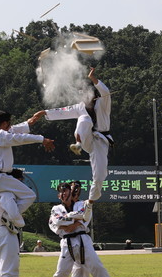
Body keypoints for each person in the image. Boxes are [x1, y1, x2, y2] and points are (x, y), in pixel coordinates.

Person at [40, 67, 113, 201]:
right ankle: (77, 144)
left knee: (100, 175)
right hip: (86, 139)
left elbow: (105, 91)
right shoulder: (80, 107)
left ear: (93, 95)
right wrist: (44, 112)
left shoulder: (103, 103)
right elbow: (63, 111)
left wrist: (93, 78)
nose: (84, 98)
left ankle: (91, 201)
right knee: (84, 119)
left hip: (101, 141)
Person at [47, 181, 121, 277]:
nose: (63, 194)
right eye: (61, 192)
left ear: (70, 193)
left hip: (83, 240)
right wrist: (74, 221)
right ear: (58, 196)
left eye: (65, 191)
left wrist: (68, 222)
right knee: (61, 272)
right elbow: (57, 222)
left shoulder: (82, 204)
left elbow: (84, 215)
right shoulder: (56, 208)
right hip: (67, 242)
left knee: (97, 267)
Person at [0, 110, 54, 217]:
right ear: (5, 123)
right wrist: (42, 139)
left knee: (12, 196)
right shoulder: (0, 135)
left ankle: (5, 215)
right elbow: (20, 138)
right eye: (9, 123)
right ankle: (8, 217)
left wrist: (33, 119)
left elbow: (18, 129)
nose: (10, 126)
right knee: (29, 196)